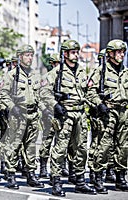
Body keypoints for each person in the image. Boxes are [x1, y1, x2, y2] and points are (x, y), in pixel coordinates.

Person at [45, 40, 96, 196]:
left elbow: (89, 91)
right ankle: (57, 181)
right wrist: (55, 104)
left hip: (80, 113)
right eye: (73, 52)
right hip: (65, 114)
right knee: (60, 148)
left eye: (77, 51)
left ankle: (80, 181)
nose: (76, 54)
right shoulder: (56, 72)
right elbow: (43, 92)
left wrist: (97, 104)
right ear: (65, 54)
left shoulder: (81, 71)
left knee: (81, 148)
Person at [0, 45, 44, 190]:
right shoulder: (11, 75)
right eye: (26, 55)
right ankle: (11, 174)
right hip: (18, 115)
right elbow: (2, 94)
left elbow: (42, 94)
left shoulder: (36, 75)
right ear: (20, 57)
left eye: (31, 55)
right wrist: (12, 107)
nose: (29, 58)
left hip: (33, 114)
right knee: (14, 145)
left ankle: (31, 174)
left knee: (31, 146)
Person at [88, 39, 128, 193]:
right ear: (110, 54)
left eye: (123, 52)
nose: (122, 54)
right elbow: (90, 91)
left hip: (123, 112)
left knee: (123, 147)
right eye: (119, 52)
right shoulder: (101, 71)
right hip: (108, 112)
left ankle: (120, 177)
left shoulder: (126, 72)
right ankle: (98, 177)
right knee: (104, 146)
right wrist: (99, 104)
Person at [39, 53, 68, 179]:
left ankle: (63, 166)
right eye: (55, 63)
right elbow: (40, 96)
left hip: (61, 113)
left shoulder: (66, 77)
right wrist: (45, 109)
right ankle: (43, 167)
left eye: (59, 63)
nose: (58, 66)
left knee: (62, 141)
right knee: (47, 141)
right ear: (52, 64)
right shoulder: (47, 77)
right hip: (49, 114)